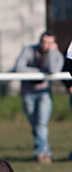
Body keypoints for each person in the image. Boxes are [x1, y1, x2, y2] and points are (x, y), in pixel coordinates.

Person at [14, 31, 64, 164]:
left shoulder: (56, 54)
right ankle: (44, 152)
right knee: (35, 123)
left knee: (41, 123)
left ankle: (41, 153)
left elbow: (54, 70)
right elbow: (19, 68)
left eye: (49, 42)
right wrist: (39, 73)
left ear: (53, 43)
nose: (45, 45)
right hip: (28, 92)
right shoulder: (29, 50)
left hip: (44, 92)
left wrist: (53, 52)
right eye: (44, 41)